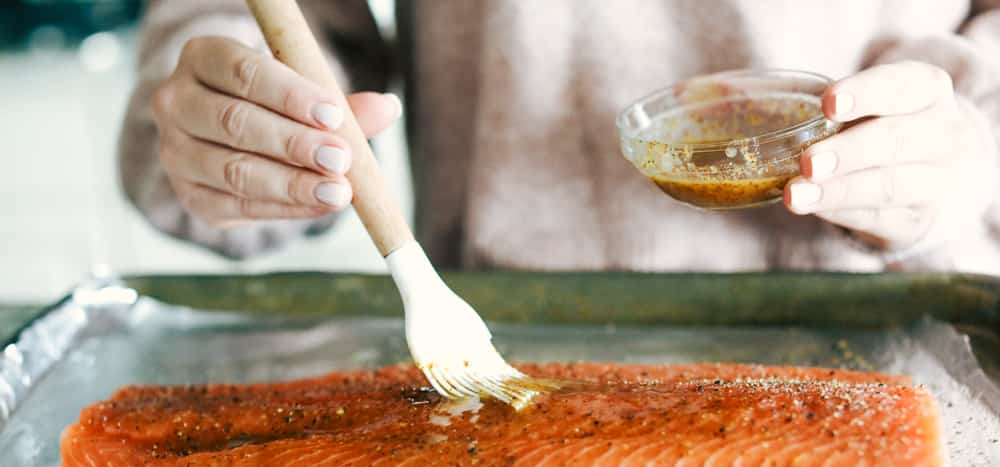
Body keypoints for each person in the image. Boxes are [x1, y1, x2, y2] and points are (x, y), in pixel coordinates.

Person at [120, 0, 1000, 272]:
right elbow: (277, 21)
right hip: (499, 341)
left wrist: (975, 148)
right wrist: (232, 113)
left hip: (896, 324)